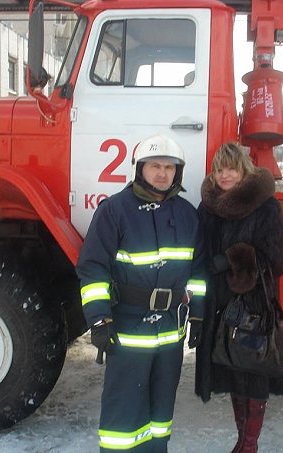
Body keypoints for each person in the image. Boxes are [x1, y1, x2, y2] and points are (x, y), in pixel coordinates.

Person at [76, 133, 206, 452]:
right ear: (139, 169)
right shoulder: (114, 211)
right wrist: (99, 319)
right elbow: (93, 269)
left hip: (170, 334)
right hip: (127, 331)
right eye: (154, 166)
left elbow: (199, 271)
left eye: (169, 167)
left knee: (161, 416)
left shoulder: (188, 215)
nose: (162, 173)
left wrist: (199, 315)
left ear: (178, 172)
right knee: (122, 419)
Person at [194, 142, 283, 453]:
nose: (224, 175)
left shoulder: (265, 206)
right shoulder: (208, 208)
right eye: (219, 170)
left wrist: (232, 259)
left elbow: (279, 259)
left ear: (244, 170)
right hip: (219, 304)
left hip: (253, 305)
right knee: (233, 375)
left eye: (231, 169)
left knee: (253, 377)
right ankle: (241, 441)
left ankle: (249, 446)